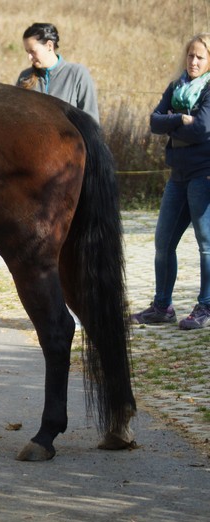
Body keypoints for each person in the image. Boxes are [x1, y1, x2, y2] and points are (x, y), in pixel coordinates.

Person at [131, 33, 210, 330]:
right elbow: (153, 121)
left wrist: (173, 121)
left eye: (200, 57)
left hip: (204, 174)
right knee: (163, 242)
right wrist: (179, 120)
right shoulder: (176, 86)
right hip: (177, 176)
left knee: (206, 246)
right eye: (190, 55)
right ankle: (162, 307)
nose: (193, 61)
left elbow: (202, 129)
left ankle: (206, 306)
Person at [17, 22, 100, 124]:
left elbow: (92, 122)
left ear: (49, 46)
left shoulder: (77, 74)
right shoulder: (25, 77)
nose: (29, 57)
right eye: (27, 52)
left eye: (33, 51)